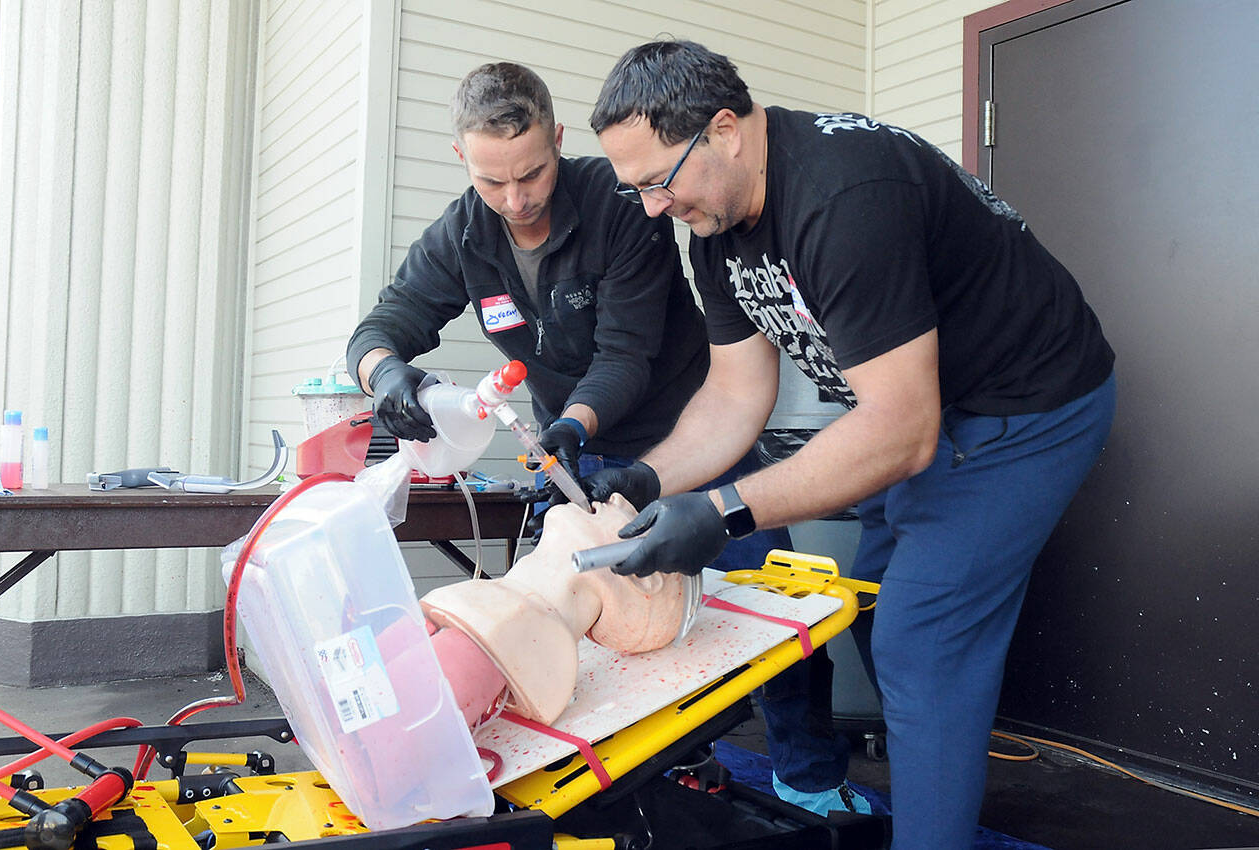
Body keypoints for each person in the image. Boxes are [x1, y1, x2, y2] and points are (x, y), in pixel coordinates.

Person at [585, 40, 1116, 849]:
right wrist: (647, 478)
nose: (653, 208)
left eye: (658, 181)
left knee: (920, 642)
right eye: (635, 191)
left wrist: (724, 510)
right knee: (861, 600)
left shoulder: (844, 195)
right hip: (922, 409)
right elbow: (734, 395)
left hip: (1028, 408)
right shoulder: (716, 227)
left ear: (724, 130)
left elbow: (901, 434)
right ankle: (921, 767)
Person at [346, 62, 709, 508]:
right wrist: (381, 372)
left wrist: (570, 428)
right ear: (463, 158)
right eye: (492, 181)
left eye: (532, 174)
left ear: (556, 140)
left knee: (735, 578)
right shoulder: (462, 234)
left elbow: (624, 356)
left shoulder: (620, 205)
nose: (515, 201)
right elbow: (384, 324)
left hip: (691, 437)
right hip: (568, 450)